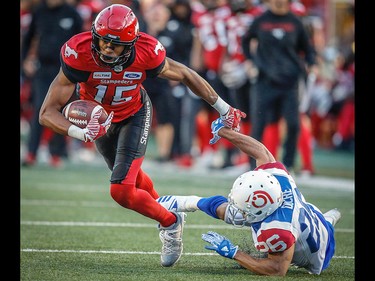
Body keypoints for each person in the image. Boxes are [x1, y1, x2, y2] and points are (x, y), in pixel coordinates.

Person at [38, 4, 246, 267]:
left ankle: (171, 221)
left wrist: (223, 108)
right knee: (132, 181)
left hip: (134, 114)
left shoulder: (147, 51)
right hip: (99, 120)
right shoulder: (78, 53)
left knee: (121, 190)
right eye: (101, 41)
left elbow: (184, 73)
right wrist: (81, 132)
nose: (105, 49)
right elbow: (47, 112)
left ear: (131, 44)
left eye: (114, 45)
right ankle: (166, 209)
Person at [156, 117, 341, 276]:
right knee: (235, 212)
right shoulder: (277, 179)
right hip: (307, 215)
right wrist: (224, 132)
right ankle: (186, 202)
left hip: (318, 252)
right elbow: (261, 151)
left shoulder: (278, 230)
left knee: (237, 215)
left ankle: (328, 221)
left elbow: (277, 270)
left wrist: (234, 253)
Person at [241, 0, 318, 171]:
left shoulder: (296, 22)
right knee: (259, 124)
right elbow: (245, 41)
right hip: (264, 81)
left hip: (289, 82)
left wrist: (312, 64)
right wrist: (250, 61)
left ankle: (287, 165)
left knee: (293, 124)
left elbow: (308, 49)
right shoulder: (260, 20)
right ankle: (251, 166)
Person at [21, 0, 84, 167]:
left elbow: (83, 43)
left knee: (64, 111)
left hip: (66, 73)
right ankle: (31, 153)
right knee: (40, 110)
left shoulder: (72, 13)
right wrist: (25, 61)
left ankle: (56, 153)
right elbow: (28, 39)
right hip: (43, 70)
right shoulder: (39, 11)